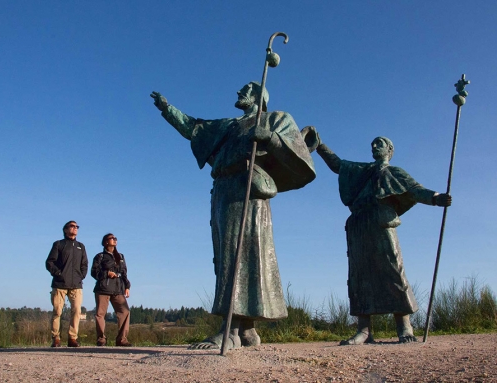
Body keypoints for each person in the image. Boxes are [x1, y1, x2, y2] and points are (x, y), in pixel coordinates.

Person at [150, 82, 316, 351]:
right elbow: (194, 128)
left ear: (258, 97)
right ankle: (246, 330)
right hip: (224, 190)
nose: (239, 93)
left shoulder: (276, 119)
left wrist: (271, 139)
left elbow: (301, 158)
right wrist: (168, 110)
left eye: (246, 90)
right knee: (227, 257)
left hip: (249, 188)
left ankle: (230, 330)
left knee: (240, 254)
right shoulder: (228, 125)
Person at [315, 134, 452, 344]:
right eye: (372, 143)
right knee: (359, 276)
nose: (374, 146)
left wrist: (435, 198)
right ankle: (364, 330)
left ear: (389, 150)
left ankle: (404, 327)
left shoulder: (394, 173)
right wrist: (320, 145)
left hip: (381, 222)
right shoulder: (363, 171)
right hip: (359, 224)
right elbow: (338, 165)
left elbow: (415, 190)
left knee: (393, 271)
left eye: (379, 143)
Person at [45, 220, 88, 347]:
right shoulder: (59, 244)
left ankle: (72, 338)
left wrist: (81, 276)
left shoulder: (81, 246)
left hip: (76, 285)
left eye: (77, 227)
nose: (75, 228)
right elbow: (49, 262)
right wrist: (58, 274)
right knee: (57, 311)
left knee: (76, 311)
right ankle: (56, 338)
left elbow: (84, 264)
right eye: (72, 226)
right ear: (65, 229)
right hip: (60, 284)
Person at [91, 233, 132, 346]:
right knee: (100, 314)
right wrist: (107, 273)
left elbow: (124, 272)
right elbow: (94, 272)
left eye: (115, 238)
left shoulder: (121, 257)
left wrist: (127, 286)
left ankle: (122, 339)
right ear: (105, 242)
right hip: (103, 288)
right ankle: (101, 339)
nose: (114, 240)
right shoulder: (100, 256)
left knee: (125, 311)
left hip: (118, 289)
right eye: (111, 238)